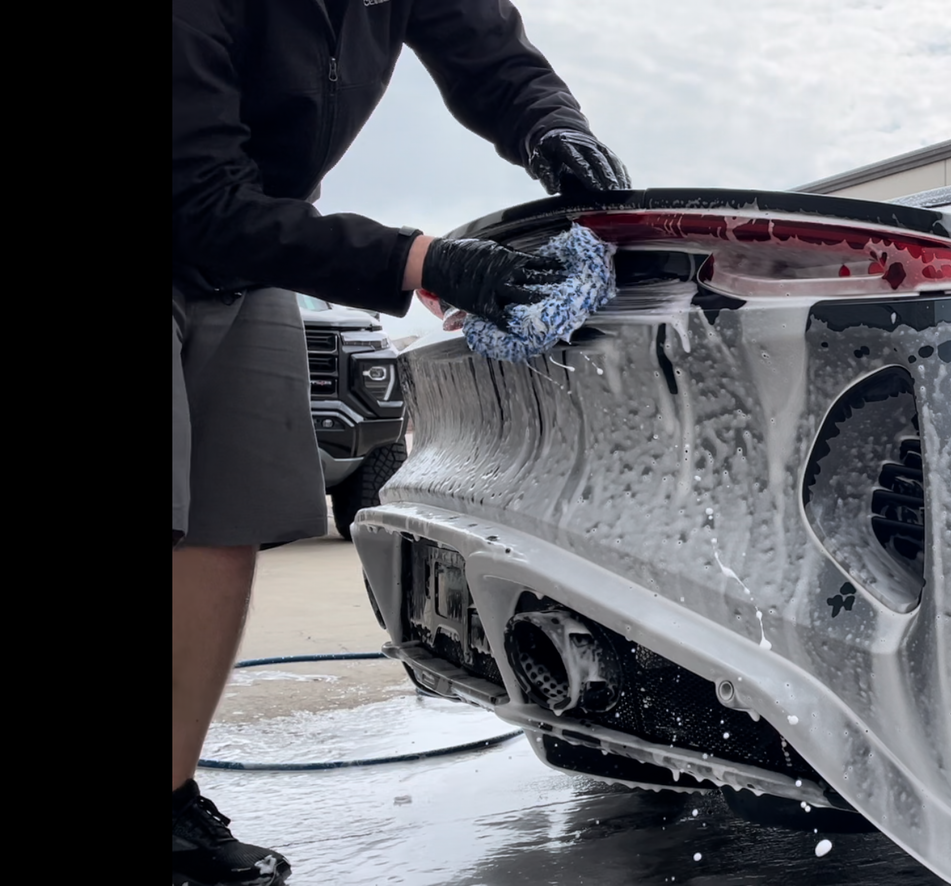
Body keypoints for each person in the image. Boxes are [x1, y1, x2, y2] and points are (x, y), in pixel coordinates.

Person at [172, 1, 629, 883]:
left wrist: (551, 130)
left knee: (224, 521)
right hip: (202, 206)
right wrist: (424, 260)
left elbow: (494, 61)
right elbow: (193, 194)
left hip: (252, 242)